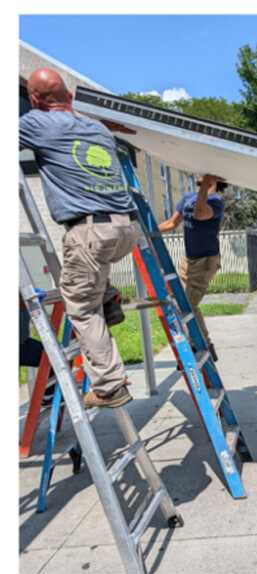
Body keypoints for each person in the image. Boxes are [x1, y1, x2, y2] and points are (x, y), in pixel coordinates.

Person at [19, 68, 144, 408]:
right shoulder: (97, 128)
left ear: (33, 100)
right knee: (88, 274)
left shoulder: (34, 122)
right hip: (128, 228)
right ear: (70, 98)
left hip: (91, 231)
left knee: (81, 308)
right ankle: (110, 297)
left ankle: (110, 385)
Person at [157, 173, 230, 357]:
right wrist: (145, 232)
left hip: (206, 260)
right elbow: (172, 223)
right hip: (188, 259)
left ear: (215, 178)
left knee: (189, 303)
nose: (197, 173)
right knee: (181, 304)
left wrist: (205, 185)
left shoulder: (216, 203)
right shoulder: (188, 198)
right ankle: (194, 343)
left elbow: (199, 214)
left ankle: (204, 345)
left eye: (204, 173)